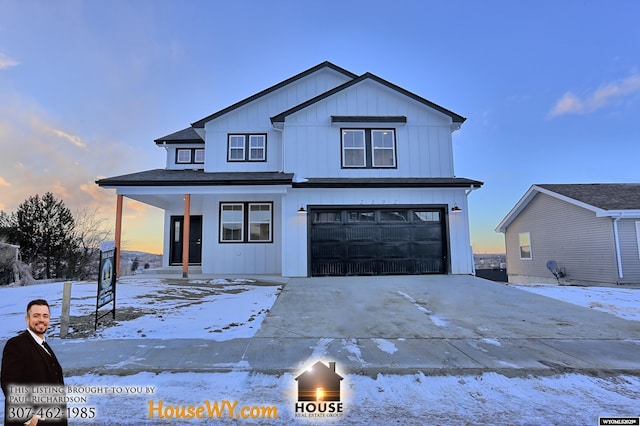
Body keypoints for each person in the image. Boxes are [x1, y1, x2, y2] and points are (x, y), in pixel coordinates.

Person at [1, 299, 67, 426]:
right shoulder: (16, 344)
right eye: (36, 316)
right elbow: (10, 384)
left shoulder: (43, 345)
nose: (41, 320)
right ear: (27, 319)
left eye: (45, 316)